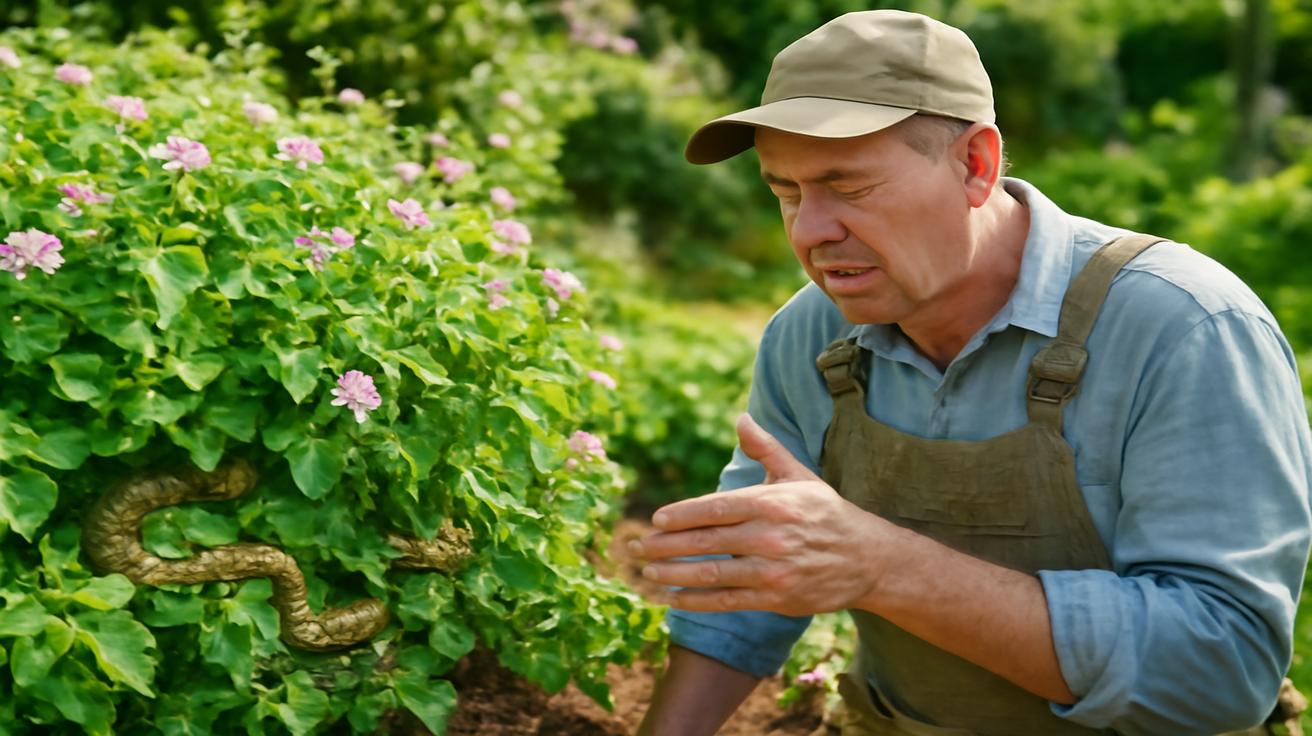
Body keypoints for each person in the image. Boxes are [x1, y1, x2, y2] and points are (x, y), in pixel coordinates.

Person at [629, 9, 1312, 736]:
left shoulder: (1182, 327)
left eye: (850, 187)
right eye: (786, 192)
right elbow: (744, 594)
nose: (810, 231)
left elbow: (1224, 669)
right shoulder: (812, 335)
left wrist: (885, 567)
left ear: (976, 166)